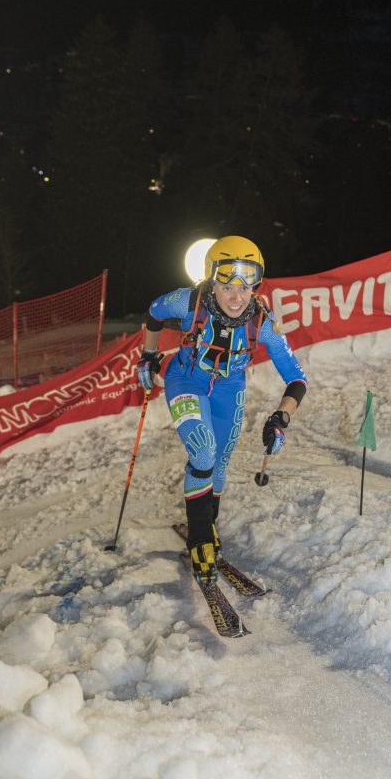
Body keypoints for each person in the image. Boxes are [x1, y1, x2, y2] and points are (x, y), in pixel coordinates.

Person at [136, 235, 307, 583]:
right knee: (203, 451)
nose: (237, 296)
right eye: (227, 284)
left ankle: (208, 526)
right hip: (186, 380)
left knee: (220, 463)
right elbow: (154, 312)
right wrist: (149, 354)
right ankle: (200, 541)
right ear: (212, 278)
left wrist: (282, 417)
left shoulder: (263, 323)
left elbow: (297, 379)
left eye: (246, 286)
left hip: (229, 389)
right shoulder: (189, 301)